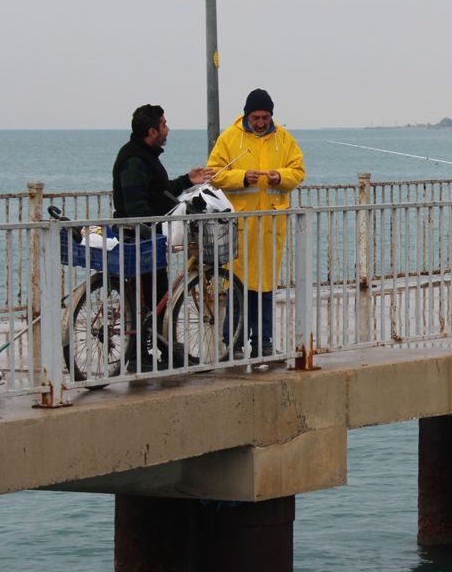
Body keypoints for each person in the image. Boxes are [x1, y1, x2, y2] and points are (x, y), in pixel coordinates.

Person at [112, 104, 213, 371]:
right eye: (164, 124)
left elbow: (159, 191)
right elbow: (135, 205)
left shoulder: (146, 156)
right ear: (152, 131)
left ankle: (161, 350)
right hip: (139, 237)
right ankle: (139, 355)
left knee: (155, 297)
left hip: (149, 237)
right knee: (147, 298)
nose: (168, 129)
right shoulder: (134, 159)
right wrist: (156, 224)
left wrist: (188, 180)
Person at [207, 89, 306, 358]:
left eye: (265, 117)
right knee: (237, 285)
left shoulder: (284, 139)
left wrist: (280, 177)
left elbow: (298, 171)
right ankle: (234, 342)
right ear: (247, 115)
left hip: (270, 226)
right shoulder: (230, 137)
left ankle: (263, 342)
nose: (261, 122)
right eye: (256, 117)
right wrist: (241, 177)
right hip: (240, 225)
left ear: (271, 115)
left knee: (264, 287)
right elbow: (214, 173)